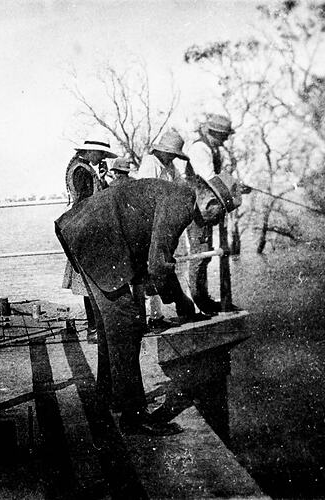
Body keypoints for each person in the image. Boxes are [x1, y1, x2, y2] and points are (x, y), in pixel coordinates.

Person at [55, 172, 243, 436]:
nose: (214, 223)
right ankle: (133, 418)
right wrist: (181, 301)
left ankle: (109, 398)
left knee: (114, 329)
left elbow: (151, 258)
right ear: (211, 202)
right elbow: (158, 264)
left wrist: (180, 301)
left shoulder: (174, 195)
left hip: (82, 232)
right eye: (219, 216)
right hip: (95, 239)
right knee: (127, 326)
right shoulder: (182, 203)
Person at [136, 129, 204, 329]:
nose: (173, 157)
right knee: (151, 268)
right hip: (148, 223)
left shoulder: (170, 167)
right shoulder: (150, 164)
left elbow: (181, 189)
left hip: (165, 225)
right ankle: (155, 315)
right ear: (163, 151)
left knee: (166, 264)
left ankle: (169, 311)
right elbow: (145, 194)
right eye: (171, 153)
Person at [62, 135, 118, 343]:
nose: (102, 157)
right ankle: (95, 329)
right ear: (92, 151)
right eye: (101, 153)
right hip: (87, 231)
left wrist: (101, 178)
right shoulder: (82, 171)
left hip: (83, 228)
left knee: (89, 283)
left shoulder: (80, 168)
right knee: (91, 282)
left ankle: (95, 327)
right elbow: (89, 202)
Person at [184, 114, 235, 315]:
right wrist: (231, 187)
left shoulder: (213, 149)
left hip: (208, 209)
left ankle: (203, 298)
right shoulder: (199, 149)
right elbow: (209, 178)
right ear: (213, 133)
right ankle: (198, 302)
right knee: (199, 253)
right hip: (196, 209)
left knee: (206, 253)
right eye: (222, 136)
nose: (224, 141)